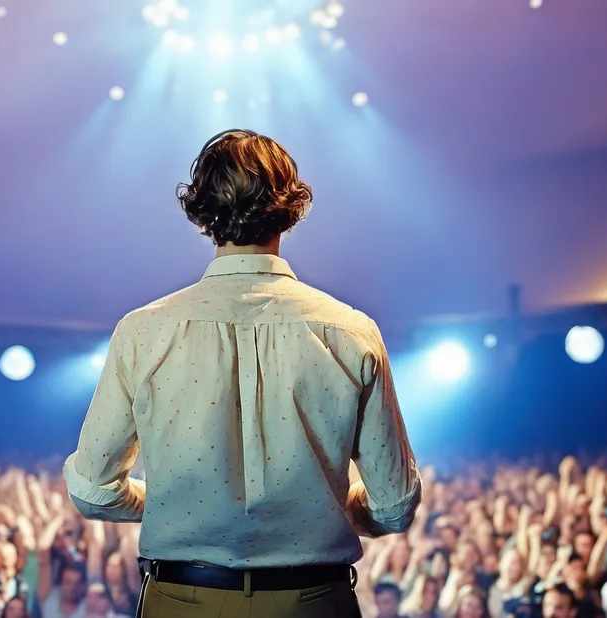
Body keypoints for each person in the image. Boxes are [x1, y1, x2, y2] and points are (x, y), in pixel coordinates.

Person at [63, 129, 423, 617]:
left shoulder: (143, 332)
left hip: (182, 600)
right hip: (314, 601)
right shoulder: (350, 330)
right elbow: (394, 506)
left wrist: (177, 502)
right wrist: (324, 504)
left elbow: (92, 490)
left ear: (202, 213)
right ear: (290, 208)